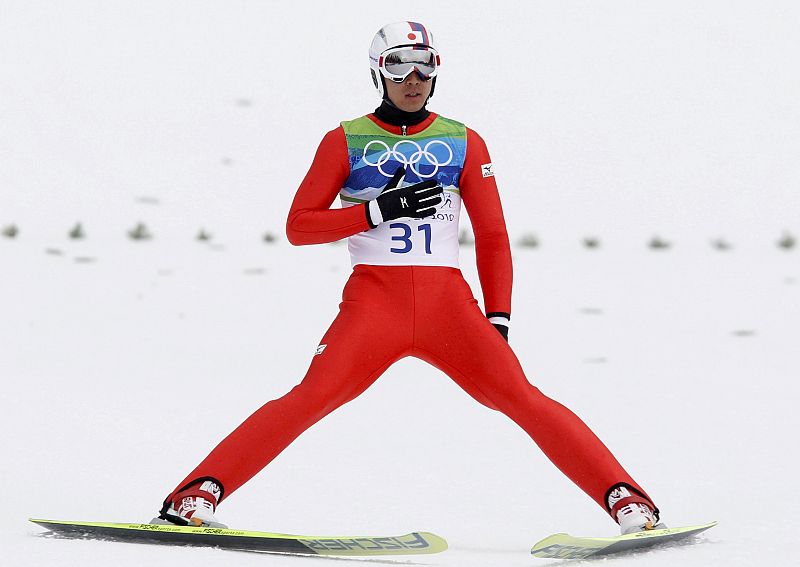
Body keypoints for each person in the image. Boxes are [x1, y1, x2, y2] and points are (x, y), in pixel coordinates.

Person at [156, 21, 663, 536]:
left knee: (523, 398)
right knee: (309, 398)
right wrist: (376, 210)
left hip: (451, 307)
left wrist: (499, 317)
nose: (413, 77)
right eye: (398, 64)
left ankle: (629, 503)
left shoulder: (463, 141)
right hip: (376, 304)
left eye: (426, 65)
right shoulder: (345, 139)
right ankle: (195, 496)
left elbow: (492, 236)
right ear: (378, 70)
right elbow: (299, 227)